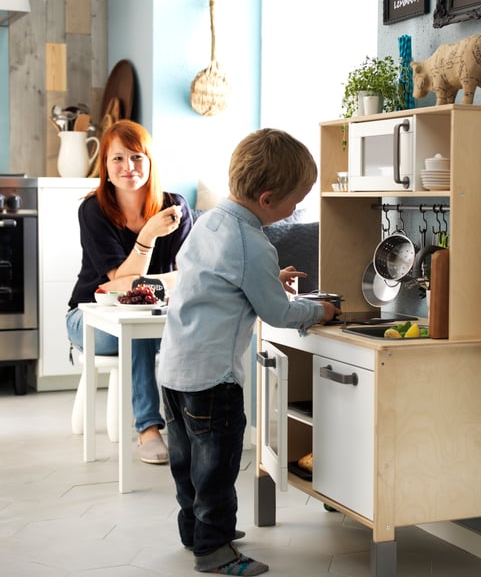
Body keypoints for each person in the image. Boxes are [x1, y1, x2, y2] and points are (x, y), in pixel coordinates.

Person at [158, 128, 340, 575]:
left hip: (174, 368)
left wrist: (267, 281)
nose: (297, 208)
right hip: (213, 377)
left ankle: (195, 531)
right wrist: (319, 310)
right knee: (217, 467)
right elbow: (278, 314)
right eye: (296, 199)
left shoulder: (210, 223)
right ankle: (216, 551)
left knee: (187, 462)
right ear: (266, 199)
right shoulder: (254, 243)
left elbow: (216, 282)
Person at [66, 119, 193, 465]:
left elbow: (188, 276)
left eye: (137, 157)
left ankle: (194, 425)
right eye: (117, 159)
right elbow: (113, 286)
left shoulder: (176, 207)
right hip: (88, 318)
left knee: (186, 324)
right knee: (134, 325)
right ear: (105, 167)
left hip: (158, 317)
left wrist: (142, 283)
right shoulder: (93, 210)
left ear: (150, 162)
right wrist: (148, 236)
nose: (128, 167)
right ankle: (149, 429)